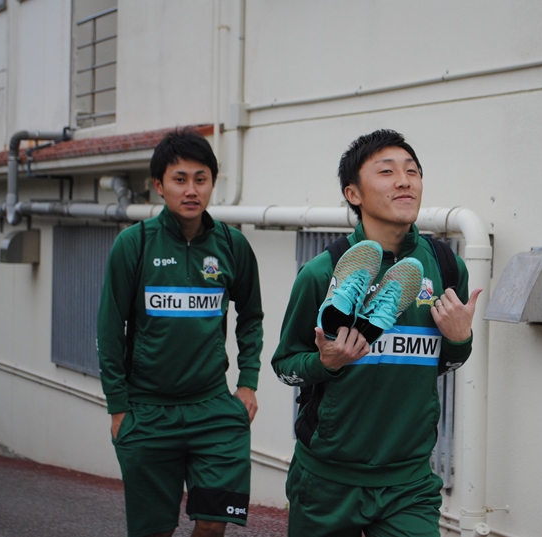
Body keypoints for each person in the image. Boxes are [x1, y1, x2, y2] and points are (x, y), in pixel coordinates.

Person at [272, 129, 483, 536]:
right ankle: (348, 307)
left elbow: (440, 364)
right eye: (387, 172)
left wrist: (460, 341)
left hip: (409, 482)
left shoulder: (446, 267)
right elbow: (285, 368)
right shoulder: (320, 272)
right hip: (328, 478)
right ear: (353, 193)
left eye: (412, 171)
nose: (405, 181)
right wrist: (325, 363)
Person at [97, 128, 264, 537]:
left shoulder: (233, 245)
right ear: (159, 185)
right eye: (180, 179)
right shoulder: (134, 245)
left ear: (212, 183)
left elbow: (251, 316)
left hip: (213, 410)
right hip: (148, 412)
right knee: (155, 530)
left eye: (201, 179)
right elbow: (109, 328)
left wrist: (247, 383)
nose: (192, 190)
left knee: (213, 523)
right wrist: (118, 407)